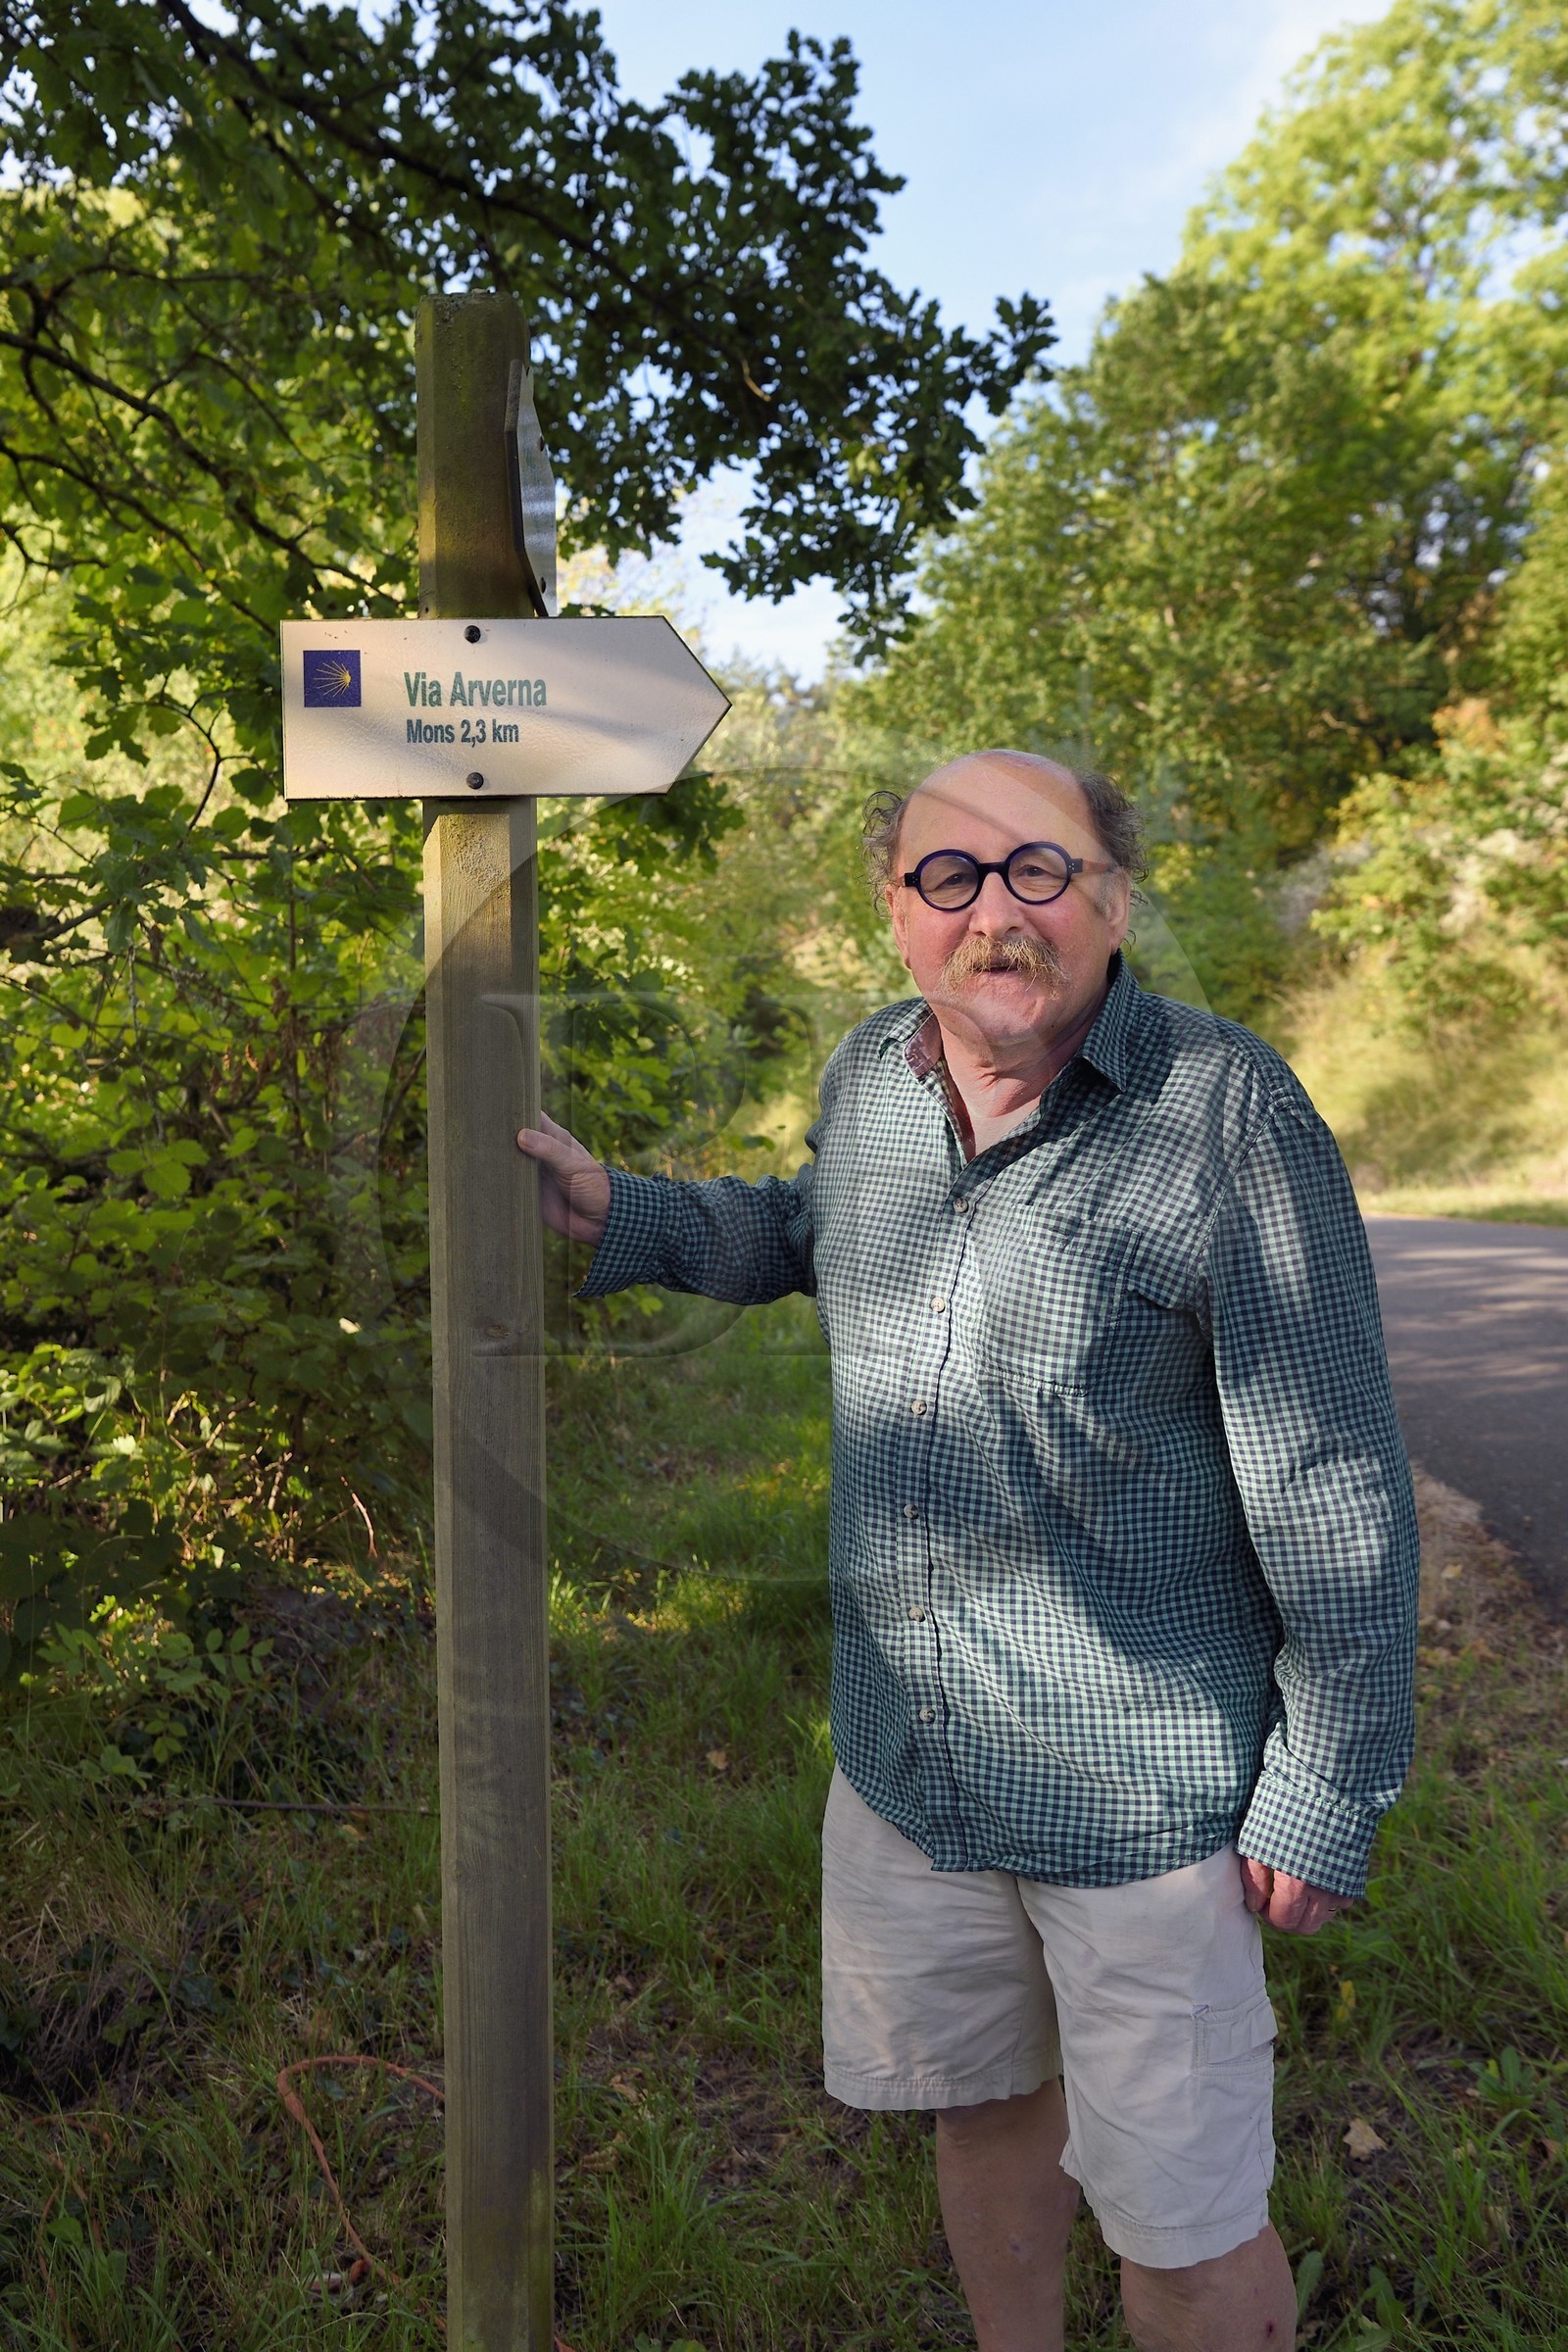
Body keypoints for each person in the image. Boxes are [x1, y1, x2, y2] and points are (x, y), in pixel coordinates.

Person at [518, 749, 1418, 2352]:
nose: (994, 913)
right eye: (951, 878)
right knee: (986, 2111)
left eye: (1038, 870)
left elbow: (1335, 1469)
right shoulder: (874, 1075)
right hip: (911, 1767)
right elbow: (814, 1230)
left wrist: (1330, 1773)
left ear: (1115, 896)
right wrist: (630, 1210)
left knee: (1186, 2218)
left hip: (1146, 1795)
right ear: (895, 914)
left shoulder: (1227, 1116)